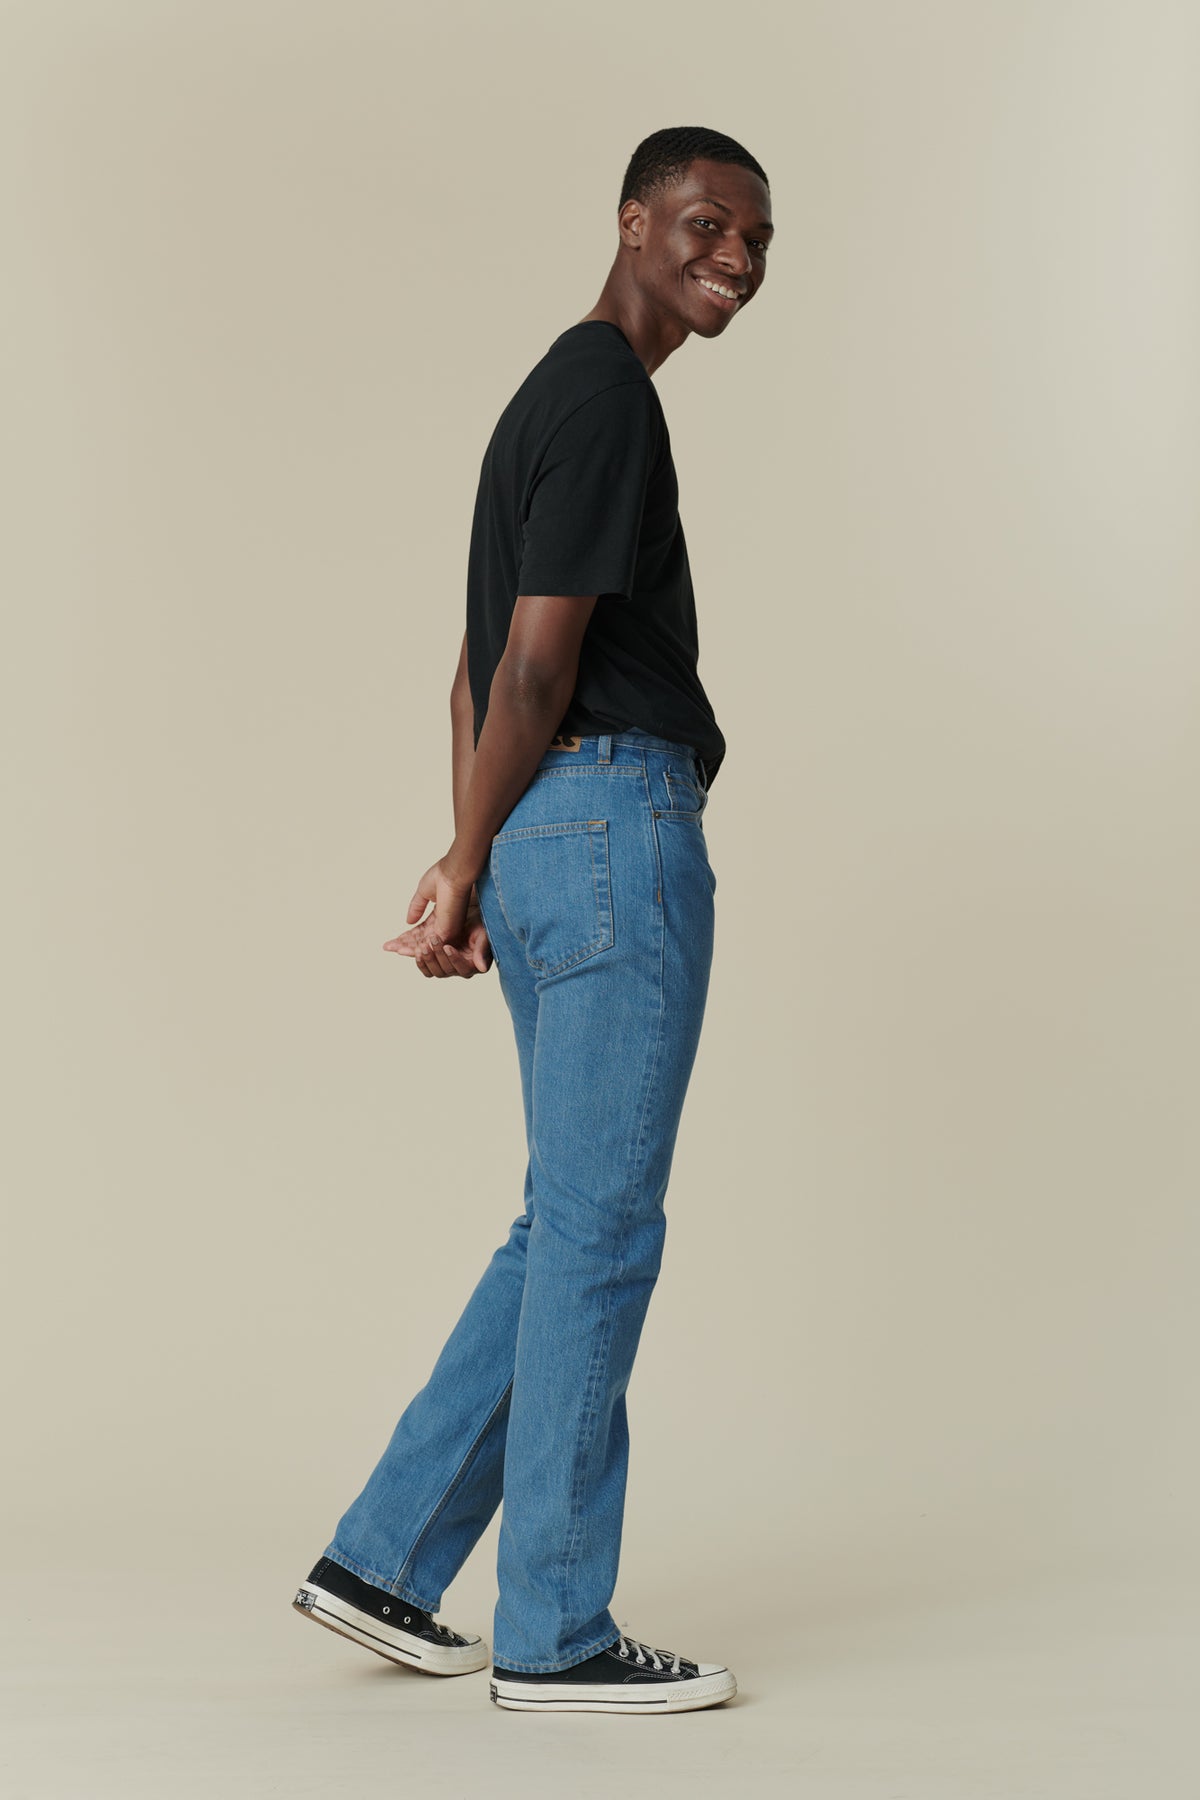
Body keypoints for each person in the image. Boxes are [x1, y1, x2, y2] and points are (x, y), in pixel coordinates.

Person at [292, 124, 773, 1715]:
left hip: (544, 840)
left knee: (562, 1224)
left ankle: (382, 1556)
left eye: (758, 239)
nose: (735, 256)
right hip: (616, 822)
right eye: (706, 222)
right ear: (633, 222)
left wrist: (477, 856)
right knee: (600, 1233)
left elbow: (472, 674)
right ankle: (557, 1632)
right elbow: (532, 663)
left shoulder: (540, 402)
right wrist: (466, 853)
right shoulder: (607, 396)